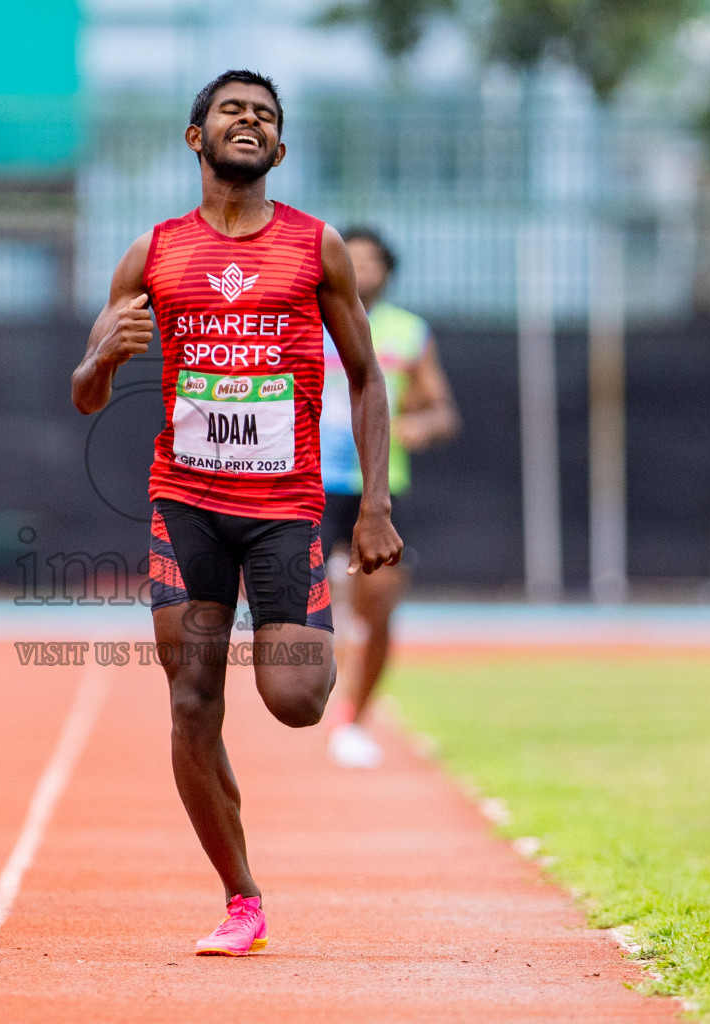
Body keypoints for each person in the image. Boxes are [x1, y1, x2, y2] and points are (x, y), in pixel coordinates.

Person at [71, 69, 402, 956]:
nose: (248, 122)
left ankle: (290, 631)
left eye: (264, 116)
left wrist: (372, 503)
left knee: (295, 698)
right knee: (190, 701)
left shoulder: (315, 246)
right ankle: (241, 897)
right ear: (196, 137)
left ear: (280, 149)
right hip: (185, 500)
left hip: (287, 507)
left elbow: (367, 377)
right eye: (232, 111)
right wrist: (107, 356)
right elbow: (83, 388)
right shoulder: (151, 253)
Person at [319, 228, 459, 770]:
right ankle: (316, 673)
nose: (361, 269)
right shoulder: (301, 323)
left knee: (380, 606)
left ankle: (354, 720)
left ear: (387, 271)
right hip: (308, 482)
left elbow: (442, 410)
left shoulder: (406, 332)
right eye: (350, 259)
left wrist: (420, 424)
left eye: (371, 261)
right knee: (295, 609)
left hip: (377, 487)